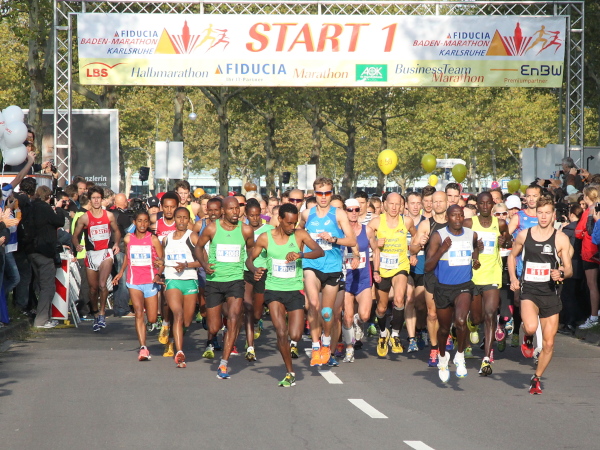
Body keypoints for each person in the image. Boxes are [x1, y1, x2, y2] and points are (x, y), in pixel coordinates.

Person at [246, 203, 323, 386]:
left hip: (294, 290)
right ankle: (290, 372)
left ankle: (285, 343)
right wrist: (255, 270)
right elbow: (250, 259)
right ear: (279, 219)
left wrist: (300, 255)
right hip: (273, 289)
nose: (291, 226)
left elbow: (319, 252)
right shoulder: (265, 238)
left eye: (294, 223)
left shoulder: (300, 235)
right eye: (288, 223)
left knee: (295, 336)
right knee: (281, 332)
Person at [508, 196, 573, 394]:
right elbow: (512, 256)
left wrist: (560, 273)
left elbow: (569, 269)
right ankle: (527, 336)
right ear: (536, 214)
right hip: (529, 290)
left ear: (553, 215)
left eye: (547, 213)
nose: (543, 217)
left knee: (549, 343)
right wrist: (513, 278)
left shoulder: (560, 238)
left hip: (550, 293)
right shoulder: (524, 235)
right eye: (540, 213)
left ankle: (536, 378)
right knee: (530, 327)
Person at [298, 177, 356, 367]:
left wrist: (333, 240)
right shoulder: (306, 214)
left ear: (331, 193)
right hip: (312, 265)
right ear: (314, 193)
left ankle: (326, 342)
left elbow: (352, 240)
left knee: (327, 312)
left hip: (332, 267)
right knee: (313, 304)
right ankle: (315, 347)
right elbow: (297, 233)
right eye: (320, 193)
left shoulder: (338, 214)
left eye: (327, 193)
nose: (323, 197)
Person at [195, 196, 254, 379]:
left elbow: (251, 253)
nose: (235, 212)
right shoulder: (212, 228)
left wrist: (253, 268)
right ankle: (217, 330)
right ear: (223, 211)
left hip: (235, 280)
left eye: (237, 208)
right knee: (213, 327)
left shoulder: (246, 230)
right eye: (231, 209)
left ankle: (224, 363)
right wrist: (204, 265)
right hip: (215, 281)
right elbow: (198, 247)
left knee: (234, 317)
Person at [425, 205, 480, 382]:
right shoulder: (438, 236)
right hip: (443, 288)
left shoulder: (471, 234)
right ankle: (442, 358)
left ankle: (460, 356)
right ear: (447, 217)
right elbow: (428, 267)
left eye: (460, 215)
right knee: (443, 329)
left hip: (464, 285)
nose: (458, 219)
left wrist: (476, 259)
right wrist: (442, 250)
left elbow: (475, 248)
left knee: (461, 321)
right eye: (454, 216)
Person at [464, 192, 511, 376]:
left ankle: (486, 358)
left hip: (492, 274)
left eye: (488, 203)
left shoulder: (500, 223)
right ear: (477, 205)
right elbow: (461, 245)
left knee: (490, 314)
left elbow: (508, 240)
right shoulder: (469, 223)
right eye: (481, 203)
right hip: (474, 276)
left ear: (492, 204)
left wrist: (504, 241)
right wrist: (475, 250)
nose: (485, 206)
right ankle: (472, 324)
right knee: (477, 318)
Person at [368, 192, 417, 357]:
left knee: (399, 299)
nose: (394, 207)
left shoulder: (406, 221)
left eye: (398, 204)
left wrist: (414, 252)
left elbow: (416, 236)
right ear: (385, 205)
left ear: (401, 206)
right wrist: (375, 243)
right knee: (381, 308)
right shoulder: (376, 222)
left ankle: (395, 334)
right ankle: (383, 333)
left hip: (400, 266)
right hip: (382, 268)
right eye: (391, 204)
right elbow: (365, 240)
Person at [113, 211, 164, 361]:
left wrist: (158, 274)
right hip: (134, 281)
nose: (142, 224)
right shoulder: (128, 238)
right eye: (140, 221)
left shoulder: (153, 239)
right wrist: (120, 272)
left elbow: (161, 260)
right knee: (139, 313)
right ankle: (143, 348)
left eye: (145, 221)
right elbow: (127, 257)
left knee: (152, 318)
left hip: (150, 281)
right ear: (134, 222)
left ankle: (152, 323)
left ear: (148, 223)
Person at [72, 186, 121, 332]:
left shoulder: (109, 215)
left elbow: (117, 231)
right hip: (91, 254)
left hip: (106, 253)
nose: (96, 201)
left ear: (101, 199)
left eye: (98, 198)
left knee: (102, 284)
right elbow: (75, 236)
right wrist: (77, 245)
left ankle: (102, 313)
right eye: (93, 198)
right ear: (90, 199)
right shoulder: (84, 217)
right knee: (93, 289)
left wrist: (116, 243)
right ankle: (95, 312)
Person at [409, 191, 448, 367]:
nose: (437, 204)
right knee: (432, 314)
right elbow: (412, 249)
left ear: (447, 202)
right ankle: (434, 348)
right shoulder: (426, 224)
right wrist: (420, 243)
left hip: (451, 273)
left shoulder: (454, 222)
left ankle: (446, 338)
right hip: (432, 273)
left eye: (441, 201)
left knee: (447, 313)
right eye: (435, 201)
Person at [163, 207, 201, 368]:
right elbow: (162, 260)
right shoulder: (167, 239)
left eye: (185, 218)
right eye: (179, 217)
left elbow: (203, 261)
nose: (182, 221)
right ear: (174, 219)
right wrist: (159, 268)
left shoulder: (193, 237)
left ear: (189, 220)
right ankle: (179, 352)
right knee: (177, 314)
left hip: (190, 280)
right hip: (172, 280)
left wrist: (186, 265)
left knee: (186, 321)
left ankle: (174, 336)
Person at [342, 198, 378, 362]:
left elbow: (376, 250)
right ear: (345, 211)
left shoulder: (367, 230)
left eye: (356, 209)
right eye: (350, 210)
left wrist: (376, 270)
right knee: (347, 317)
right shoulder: (339, 231)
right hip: (346, 279)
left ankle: (358, 322)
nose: (354, 213)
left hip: (363, 278)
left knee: (364, 316)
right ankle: (349, 349)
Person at [31, 186, 69, 328]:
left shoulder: (31, 207)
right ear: (48, 197)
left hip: (31, 251)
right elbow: (59, 221)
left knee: (38, 285)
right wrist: (58, 208)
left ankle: (38, 314)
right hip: (45, 251)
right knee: (47, 287)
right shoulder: (45, 208)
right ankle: (41, 320)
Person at [242, 199, 273, 361]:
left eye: (257, 215)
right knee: (247, 307)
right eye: (251, 215)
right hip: (245, 270)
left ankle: (257, 321)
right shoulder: (242, 229)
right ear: (246, 215)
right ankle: (250, 347)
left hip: (263, 272)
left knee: (256, 312)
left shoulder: (269, 230)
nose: (254, 218)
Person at [193, 197, 223, 358]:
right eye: (210, 210)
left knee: (219, 308)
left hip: (223, 271)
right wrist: (202, 264)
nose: (213, 213)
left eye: (216, 210)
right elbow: (193, 244)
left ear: (222, 210)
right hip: (204, 271)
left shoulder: (227, 226)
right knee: (206, 307)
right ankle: (206, 321)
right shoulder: (200, 225)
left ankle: (213, 339)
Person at [150, 192, 179, 355]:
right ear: (161, 207)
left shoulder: (183, 222)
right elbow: (132, 232)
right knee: (166, 299)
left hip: (178, 266)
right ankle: (166, 323)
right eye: (166, 207)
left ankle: (172, 339)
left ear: (177, 207)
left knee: (177, 307)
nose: (169, 210)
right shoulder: (155, 221)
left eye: (172, 207)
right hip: (162, 267)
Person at [576, 185, 600, 329]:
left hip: (589, 251)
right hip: (596, 251)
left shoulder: (589, 211)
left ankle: (593, 317)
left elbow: (578, 232)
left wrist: (584, 233)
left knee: (592, 285)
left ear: (586, 197)